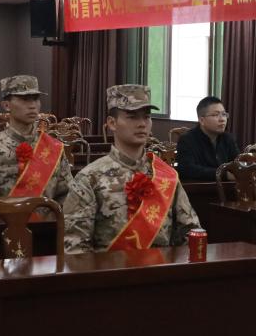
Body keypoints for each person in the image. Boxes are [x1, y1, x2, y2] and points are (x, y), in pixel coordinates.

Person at [63, 84, 200, 254]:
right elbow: (75, 251)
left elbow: (190, 232)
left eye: (147, 117)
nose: (142, 124)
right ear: (112, 123)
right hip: (109, 270)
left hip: (161, 268)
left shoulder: (166, 176)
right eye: (132, 117)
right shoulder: (90, 178)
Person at [0, 75, 72, 213]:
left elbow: (69, 198)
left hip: (48, 225)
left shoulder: (53, 147)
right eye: (24, 99)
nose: (32, 105)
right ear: (6, 105)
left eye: (36, 99)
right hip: (0, 225)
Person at [174, 96, 240, 181]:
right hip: (199, 188)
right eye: (215, 115)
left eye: (224, 114)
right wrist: (223, 174)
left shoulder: (228, 138)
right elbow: (187, 169)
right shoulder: (187, 140)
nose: (222, 119)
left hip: (226, 187)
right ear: (202, 120)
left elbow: (238, 164)